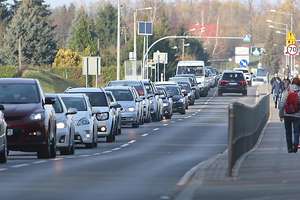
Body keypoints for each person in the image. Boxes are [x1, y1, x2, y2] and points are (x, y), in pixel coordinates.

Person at [279, 78, 300, 153]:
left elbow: (282, 103)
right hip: (297, 115)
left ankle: (289, 148)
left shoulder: (287, 91)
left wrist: (281, 115)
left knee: (288, 132)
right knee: (296, 131)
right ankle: (296, 145)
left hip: (287, 114)